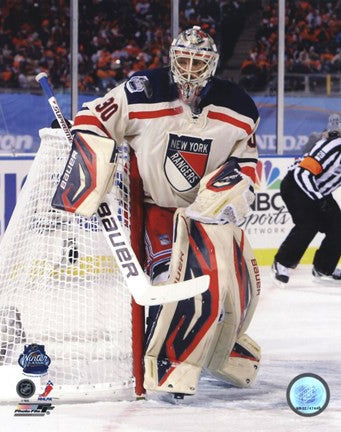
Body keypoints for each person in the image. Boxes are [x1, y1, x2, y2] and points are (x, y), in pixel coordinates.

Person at [53, 26, 261, 397]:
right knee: (175, 281)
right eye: (184, 59)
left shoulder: (240, 106)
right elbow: (95, 118)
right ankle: (170, 363)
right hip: (159, 212)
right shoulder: (141, 91)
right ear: (171, 59)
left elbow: (247, 161)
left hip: (207, 216)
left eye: (199, 61)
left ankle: (222, 349)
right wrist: (90, 160)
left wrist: (224, 194)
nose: (191, 68)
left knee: (241, 287)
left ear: (212, 64)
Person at [272, 113, 341, 285]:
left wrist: (321, 199)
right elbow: (302, 173)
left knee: (338, 226)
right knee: (309, 224)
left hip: (318, 191)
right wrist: (319, 200)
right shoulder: (333, 147)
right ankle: (281, 263)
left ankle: (324, 267)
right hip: (296, 185)